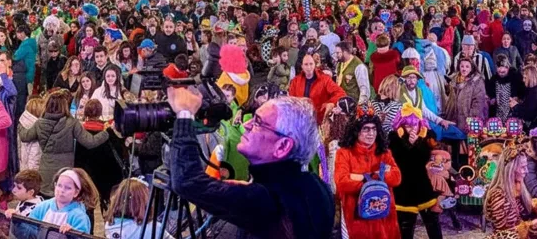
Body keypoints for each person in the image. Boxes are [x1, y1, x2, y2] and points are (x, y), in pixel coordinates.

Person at [167, 90, 335, 237]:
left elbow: (186, 181)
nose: (246, 125)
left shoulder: (265, 198)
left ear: (282, 146)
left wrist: (184, 114)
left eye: (258, 122)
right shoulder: (318, 187)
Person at [18, 90, 109, 197]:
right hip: (65, 170)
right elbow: (90, 142)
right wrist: (106, 133)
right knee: (63, 200)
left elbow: (25, 137)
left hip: (45, 170)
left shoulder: (40, 123)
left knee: (46, 202)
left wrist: (21, 124)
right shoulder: (72, 123)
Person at [334, 107, 401, 238]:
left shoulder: (384, 152)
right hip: (355, 214)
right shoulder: (344, 153)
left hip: (383, 214)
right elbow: (342, 182)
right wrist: (379, 176)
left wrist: (360, 177)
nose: (371, 133)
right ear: (356, 131)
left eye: (374, 129)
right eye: (366, 129)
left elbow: (396, 178)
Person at [390, 104, 442, 239]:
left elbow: (423, 159)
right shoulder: (394, 139)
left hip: (422, 186)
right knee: (405, 226)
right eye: (407, 126)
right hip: (403, 188)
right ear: (401, 126)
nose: (411, 129)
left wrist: (417, 143)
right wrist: (407, 144)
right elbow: (400, 160)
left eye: (414, 125)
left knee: (432, 223)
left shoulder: (424, 139)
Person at [25, 168, 98, 234]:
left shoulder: (79, 217)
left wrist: (72, 234)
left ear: (76, 192)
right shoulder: (43, 207)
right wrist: (16, 221)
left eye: (68, 188)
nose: (62, 190)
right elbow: (27, 231)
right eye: (59, 185)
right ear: (55, 185)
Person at [288, 54, 347, 123]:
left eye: (311, 64)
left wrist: (330, 103)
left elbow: (341, 93)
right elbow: (291, 101)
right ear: (302, 66)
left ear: (314, 65)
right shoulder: (295, 81)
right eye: (306, 64)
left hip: (319, 121)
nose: (309, 67)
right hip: (301, 120)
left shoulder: (325, 79)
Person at [444, 57, 488, 132]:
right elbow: (450, 101)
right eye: (462, 66)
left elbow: (478, 103)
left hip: (470, 120)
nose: (464, 69)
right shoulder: (454, 80)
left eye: (467, 66)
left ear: (472, 68)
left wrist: (470, 119)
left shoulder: (477, 82)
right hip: (455, 119)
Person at [511, 64, 537, 132]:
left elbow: (528, 115)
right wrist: (518, 103)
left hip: (536, 128)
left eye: (525, 78)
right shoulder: (536, 89)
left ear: (531, 77)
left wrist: (515, 106)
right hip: (535, 125)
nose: (523, 80)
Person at [486, 55, 525, 122]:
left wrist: (518, 99)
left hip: (513, 114)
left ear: (508, 67)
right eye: (499, 71)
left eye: (503, 72)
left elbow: (523, 93)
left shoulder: (516, 77)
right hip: (498, 114)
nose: (501, 73)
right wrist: (492, 99)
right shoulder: (494, 79)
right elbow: (489, 94)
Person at [12, 25, 37, 120]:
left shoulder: (26, 45)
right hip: (31, 72)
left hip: (26, 74)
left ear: (22, 34)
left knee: (26, 98)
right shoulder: (31, 42)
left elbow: (15, 57)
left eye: (17, 33)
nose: (16, 35)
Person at [17, 97, 45, 171]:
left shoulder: (22, 123)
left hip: (23, 165)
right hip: (34, 169)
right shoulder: (38, 127)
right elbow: (36, 154)